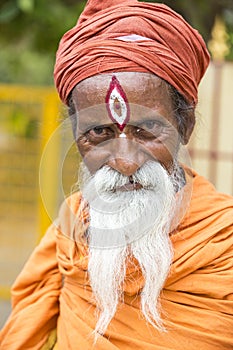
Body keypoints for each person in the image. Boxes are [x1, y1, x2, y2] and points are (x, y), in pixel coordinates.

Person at [1, 0, 233, 349]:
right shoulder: (69, 232)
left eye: (148, 130)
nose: (125, 161)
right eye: (98, 133)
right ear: (76, 136)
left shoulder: (223, 244)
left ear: (185, 127)